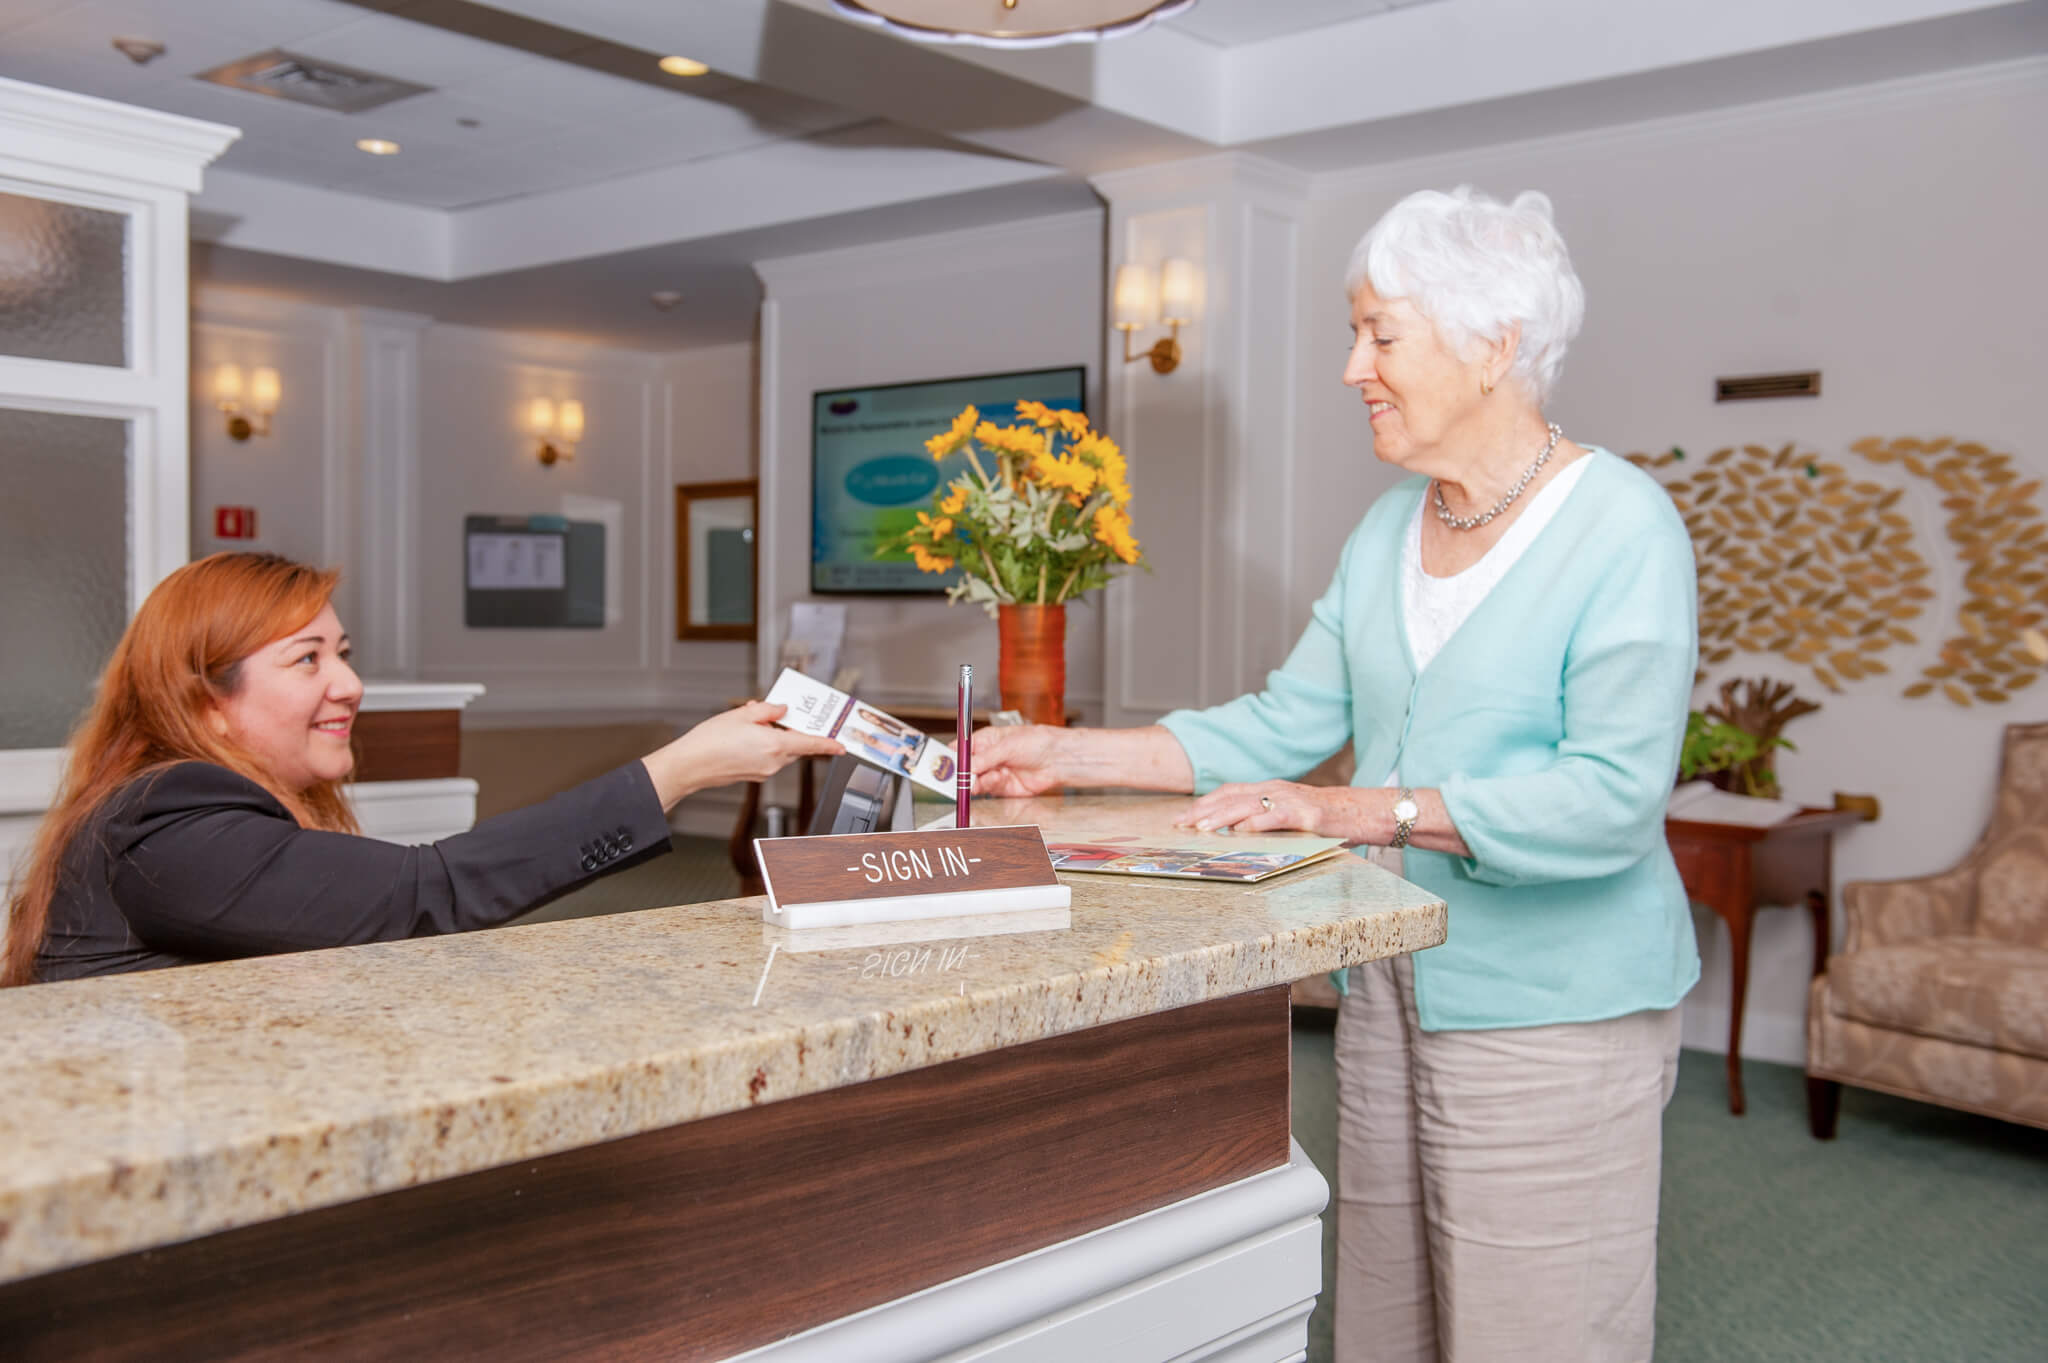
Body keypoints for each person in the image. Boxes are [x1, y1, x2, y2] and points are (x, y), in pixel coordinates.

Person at [973, 186, 1699, 1362]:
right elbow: (1280, 722)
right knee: (1382, 1310)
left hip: (1552, 1008)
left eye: (1380, 333)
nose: (1351, 364)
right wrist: (1063, 751)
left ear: (1492, 344)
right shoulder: (1385, 532)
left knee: (1535, 1327)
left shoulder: (1622, 526)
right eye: (1352, 331)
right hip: (1391, 982)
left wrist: (1356, 808)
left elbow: (1609, 800)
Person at [3, 552, 841, 986]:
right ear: (208, 700)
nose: (350, 683)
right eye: (307, 660)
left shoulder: (168, 802)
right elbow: (425, 892)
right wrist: (680, 768)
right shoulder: (170, 818)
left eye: (344, 653)